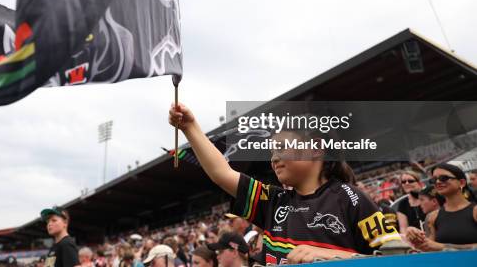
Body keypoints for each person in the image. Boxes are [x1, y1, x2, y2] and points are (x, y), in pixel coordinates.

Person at [168, 104, 401, 265]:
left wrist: (328, 256)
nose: (274, 158)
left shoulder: (352, 198)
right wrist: (190, 127)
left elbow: (399, 258)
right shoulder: (273, 201)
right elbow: (221, 172)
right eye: (271, 151)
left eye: (281, 148)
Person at [405, 163, 477, 250]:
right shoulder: (432, 217)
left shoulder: (475, 211)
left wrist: (443, 247)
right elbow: (429, 250)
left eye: (444, 178)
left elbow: (436, 247)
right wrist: (415, 237)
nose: (438, 182)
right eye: (434, 180)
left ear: (461, 183)